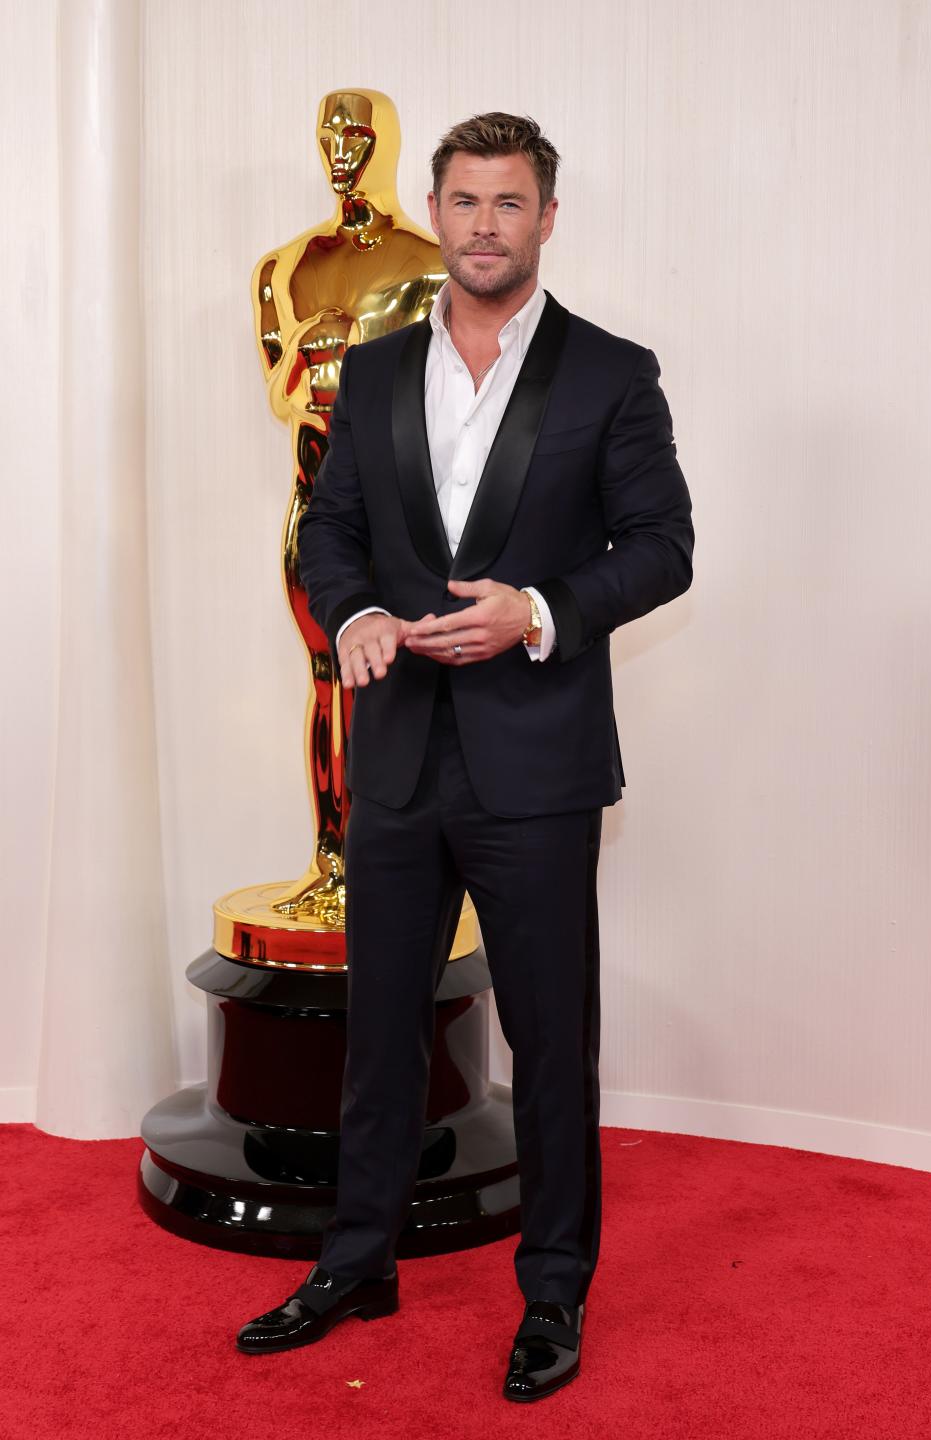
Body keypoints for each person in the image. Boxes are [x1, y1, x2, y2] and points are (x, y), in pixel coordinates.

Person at [236, 111, 694, 1403]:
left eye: (511, 202)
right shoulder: (373, 373)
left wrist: (539, 611)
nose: (485, 223)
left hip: (537, 770)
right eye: (466, 199)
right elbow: (330, 536)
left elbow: (662, 546)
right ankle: (356, 1261)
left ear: (549, 218)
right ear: (432, 211)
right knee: (381, 1033)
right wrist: (362, 616)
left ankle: (553, 1295)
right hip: (393, 760)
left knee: (550, 1042)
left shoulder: (612, 373)